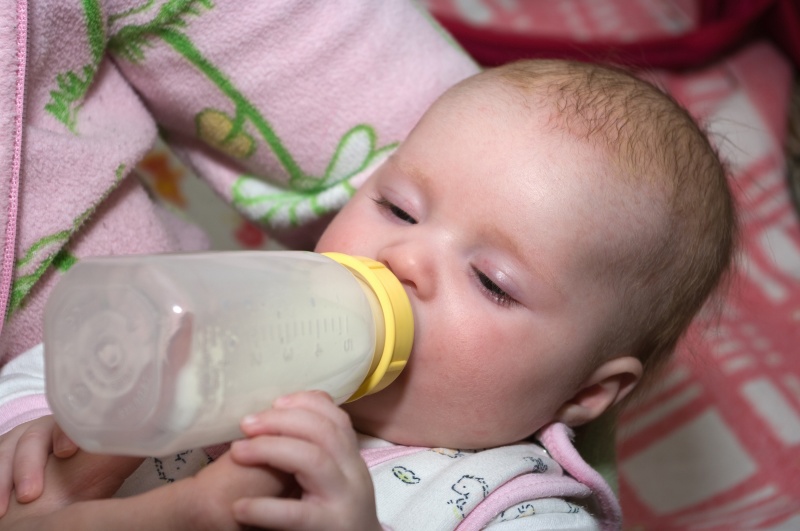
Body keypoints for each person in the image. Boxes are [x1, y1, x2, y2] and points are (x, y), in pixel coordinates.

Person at [0, 58, 735, 530]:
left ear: (585, 392)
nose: (408, 257)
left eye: (490, 280)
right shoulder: (238, 315)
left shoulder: (515, 507)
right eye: (398, 209)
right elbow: (78, 358)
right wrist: (40, 421)